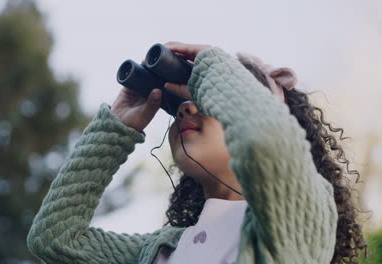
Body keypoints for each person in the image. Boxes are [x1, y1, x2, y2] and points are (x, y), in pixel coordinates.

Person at [26, 41, 367, 264]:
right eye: (180, 106)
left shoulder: (302, 217)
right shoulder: (160, 250)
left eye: (206, 101)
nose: (188, 110)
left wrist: (213, 65)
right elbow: (55, 238)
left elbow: (267, 143)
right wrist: (114, 129)